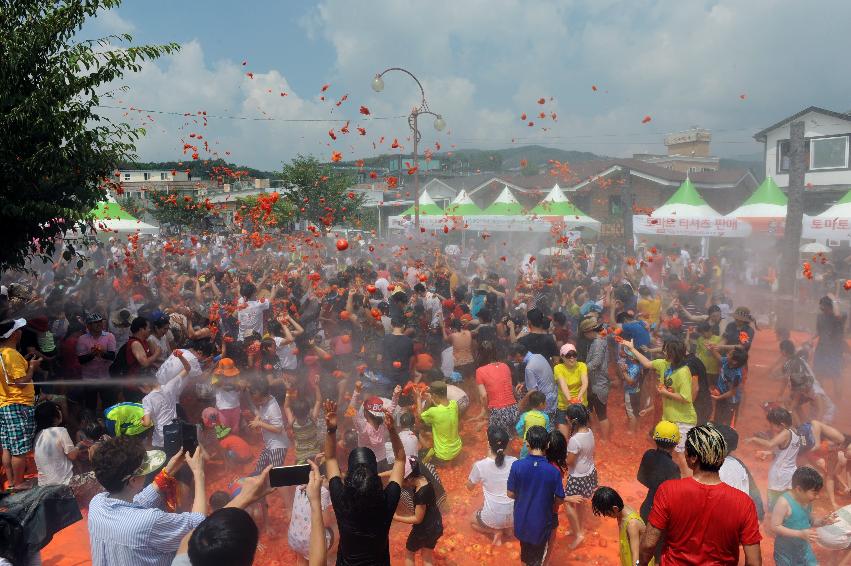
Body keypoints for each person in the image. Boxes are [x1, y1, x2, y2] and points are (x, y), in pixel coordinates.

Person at [638, 424, 762, 566]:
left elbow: (648, 544)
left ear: (692, 458)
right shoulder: (744, 503)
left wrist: (640, 563)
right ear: (721, 460)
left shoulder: (669, 491)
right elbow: (754, 562)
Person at [88, 437, 207, 566]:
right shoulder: (148, 522)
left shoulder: (96, 504)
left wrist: (167, 472)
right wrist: (198, 473)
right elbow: (198, 523)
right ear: (132, 480)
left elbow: (137, 504)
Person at [323, 399, 406, 566]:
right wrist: (392, 430)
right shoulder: (386, 503)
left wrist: (331, 429)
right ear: (376, 480)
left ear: (349, 480)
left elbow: (330, 458)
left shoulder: (342, 501)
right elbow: (400, 460)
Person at [507, 425, 566, 566]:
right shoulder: (553, 471)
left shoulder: (517, 466)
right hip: (541, 524)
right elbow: (560, 499)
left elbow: (510, 493)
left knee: (525, 555)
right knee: (537, 559)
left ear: (527, 443)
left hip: (522, 521)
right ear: (547, 444)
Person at [0, 318, 41, 490]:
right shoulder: (11, 354)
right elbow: (21, 382)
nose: (22, 332)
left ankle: (11, 481)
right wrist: (32, 367)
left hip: (5, 405)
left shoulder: (3, 353)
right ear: (15, 334)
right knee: (20, 448)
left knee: (8, 446)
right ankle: (19, 483)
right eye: (19, 329)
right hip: (19, 405)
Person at [771, 466, 835, 566]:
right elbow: (775, 526)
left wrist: (823, 521)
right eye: (814, 493)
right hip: (786, 553)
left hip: (804, 549)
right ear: (799, 489)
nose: (817, 497)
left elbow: (809, 521)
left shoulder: (807, 500)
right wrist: (800, 534)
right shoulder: (784, 502)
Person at [467, 425, 516, 546]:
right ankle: (508, 530)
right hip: (515, 516)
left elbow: (469, 487)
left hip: (493, 516)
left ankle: (494, 531)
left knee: (472, 521)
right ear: (506, 444)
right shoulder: (515, 461)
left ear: (489, 444)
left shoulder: (480, 465)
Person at [745, 406, 801, 510]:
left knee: (774, 505)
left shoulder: (785, 433)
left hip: (779, 474)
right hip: (790, 473)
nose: (770, 427)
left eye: (772, 425)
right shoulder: (795, 432)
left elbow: (770, 443)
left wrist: (754, 439)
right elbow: (786, 451)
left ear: (782, 425)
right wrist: (768, 453)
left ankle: (773, 523)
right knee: (787, 503)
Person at [393, 458, 444, 566]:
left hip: (424, 530)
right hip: (436, 524)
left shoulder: (421, 494)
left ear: (408, 478)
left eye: (402, 480)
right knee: (427, 557)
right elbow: (400, 471)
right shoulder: (422, 477)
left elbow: (417, 519)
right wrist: (378, 475)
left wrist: (396, 517)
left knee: (409, 554)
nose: (401, 484)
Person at [142, 349, 192, 450]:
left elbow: (147, 423)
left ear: (145, 385)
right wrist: (180, 357)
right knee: (176, 453)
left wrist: (141, 421)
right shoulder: (170, 386)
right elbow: (187, 368)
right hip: (175, 430)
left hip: (161, 438)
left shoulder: (147, 399)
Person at [564, 403, 597, 549]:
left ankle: (578, 534)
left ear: (572, 421)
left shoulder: (575, 440)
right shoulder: (589, 432)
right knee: (581, 502)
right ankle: (578, 528)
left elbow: (570, 462)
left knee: (568, 503)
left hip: (577, 476)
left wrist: (559, 459)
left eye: (567, 417)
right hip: (589, 473)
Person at [592, 486, 650, 566]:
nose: (607, 516)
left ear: (615, 508)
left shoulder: (632, 525)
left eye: (607, 513)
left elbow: (636, 557)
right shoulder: (621, 511)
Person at [637, 421, 681, 522]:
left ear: (655, 439)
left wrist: (654, 485)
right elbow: (674, 496)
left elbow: (640, 478)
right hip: (661, 514)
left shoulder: (648, 454)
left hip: (646, 507)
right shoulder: (673, 467)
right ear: (676, 443)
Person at [33, 400, 84, 486]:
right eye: (58, 410)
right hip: (63, 483)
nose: (60, 412)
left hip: (43, 484)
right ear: (53, 416)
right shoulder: (60, 431)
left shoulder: (37, 435)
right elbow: (72, 456)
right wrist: (79, 445)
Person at [76, 312, 116, 411]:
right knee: (90, 405)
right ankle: (91, 424)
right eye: (95, 322)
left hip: (105, 378)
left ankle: (108, 424)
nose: (99, 324)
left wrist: (101, 353)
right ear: (88, 326)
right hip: (89, 379)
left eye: (100, 322)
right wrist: (93, 354)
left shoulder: (109, 336)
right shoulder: (82, 339)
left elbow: (112, 356)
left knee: (108, 404)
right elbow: (81, 360)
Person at [247, 378, 289, 474]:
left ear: (266, 395)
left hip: (278, 446)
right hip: (269, 445)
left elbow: (278, 429)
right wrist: (258, 417)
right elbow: (262, 412)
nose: (258, 403)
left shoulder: (272, 408)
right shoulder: (264, 400)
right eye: (255, 401)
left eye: (259, 401)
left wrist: (260, 423)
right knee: (258, 471)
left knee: (275, 475)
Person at [474, 344, 518, 434]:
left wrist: (486, 412)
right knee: (510, 439)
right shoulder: (505, 366)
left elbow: (483, 396)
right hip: (514, 410)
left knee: (495, 444)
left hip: (498, 411)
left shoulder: (480, 371)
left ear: (480, 355)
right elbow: (511, 388)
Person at [510, 343, 557, 424]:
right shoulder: (539, 356)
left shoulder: (529, 368)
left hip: (544, 402)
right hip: (554, 397)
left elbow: (532, 391)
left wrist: (520, 405)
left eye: (513, 357)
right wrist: (525, 383)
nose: (513, 360)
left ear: (518, 355)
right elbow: (540, 376)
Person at [579, 318, 610, 440]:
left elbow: (596, 363)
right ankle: (595, 432)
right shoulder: (601, 339)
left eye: (585, 334)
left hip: (599, 384)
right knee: (591, 409)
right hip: (596, 383)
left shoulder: (597, 343)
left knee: (602, 414)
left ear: (590, 331)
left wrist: (580, 369)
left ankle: (605, 439)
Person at [419, 380, 462, 464]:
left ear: (434, 395)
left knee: (420, 455)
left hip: (444, 455)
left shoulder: (433, 411)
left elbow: (419, 417)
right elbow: (442, 405)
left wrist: (419, 398)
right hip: (457, 449)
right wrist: (432, 398)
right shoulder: (454, 404)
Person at [814, 296, 846, 401]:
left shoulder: (839, 317)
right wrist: (811, 339)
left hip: (834, 350)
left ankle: (838, 398)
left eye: (824, 305)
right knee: (819, 372)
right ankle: (820, 395)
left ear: (830, 306)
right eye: (821, 305)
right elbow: (819, 331)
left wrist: (834, 301)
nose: (821, 307)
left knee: (835, 374)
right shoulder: (820, 317)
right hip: (822, 348)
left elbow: (839, 317)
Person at [553, 343, 588, 437]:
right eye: (568, 355)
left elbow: (585, 383)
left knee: (578, 436)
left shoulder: (582, 366)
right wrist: (570, 400)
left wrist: (578, 399)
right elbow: (563, 385)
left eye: (574, 355)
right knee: (563, 438)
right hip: (564, 405)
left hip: (580, 406)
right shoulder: (558, 368)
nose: (572, 358)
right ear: (562, 357)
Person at [709, 348, 748, 426]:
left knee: (726, 423)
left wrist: (718, 398)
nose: (727, 355)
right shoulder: (727, 361)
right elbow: (719, 358)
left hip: (730, 402)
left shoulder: (736, 375)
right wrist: (712, 349)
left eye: (729, 355)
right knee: (717, 418)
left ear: (734, 361)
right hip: (722, 396)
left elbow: (732, 392)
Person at [515, 391, 550, 459]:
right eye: (545, 402)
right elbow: (547, 431)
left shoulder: (525, 415)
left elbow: (518, 428)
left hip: (527, 443)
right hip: (541, 444)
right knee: (541, 458)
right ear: (541, 404)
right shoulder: (545, 417)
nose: (546, 404)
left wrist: (523, 436)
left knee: (523, 458)